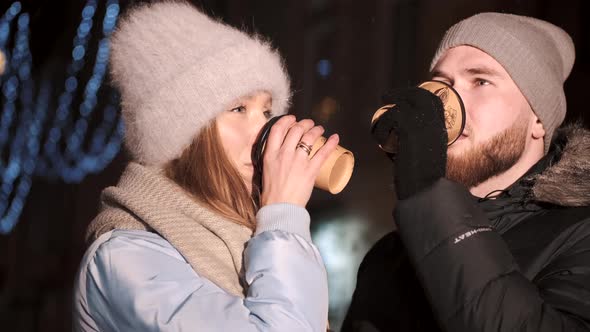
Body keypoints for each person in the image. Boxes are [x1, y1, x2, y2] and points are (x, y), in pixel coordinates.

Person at [72, 2, 338, 331]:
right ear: (183, 135)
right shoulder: (125, 258)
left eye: (267, 112)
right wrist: (283, 216)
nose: (262, 134)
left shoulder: (253, 238)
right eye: (239, 109)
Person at [343, 12, 590, 331]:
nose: (448, 104)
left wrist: (426, 190)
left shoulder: (580, 235)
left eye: (480, 81)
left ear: (538, 121)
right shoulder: (390, 256)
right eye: (442, 84)